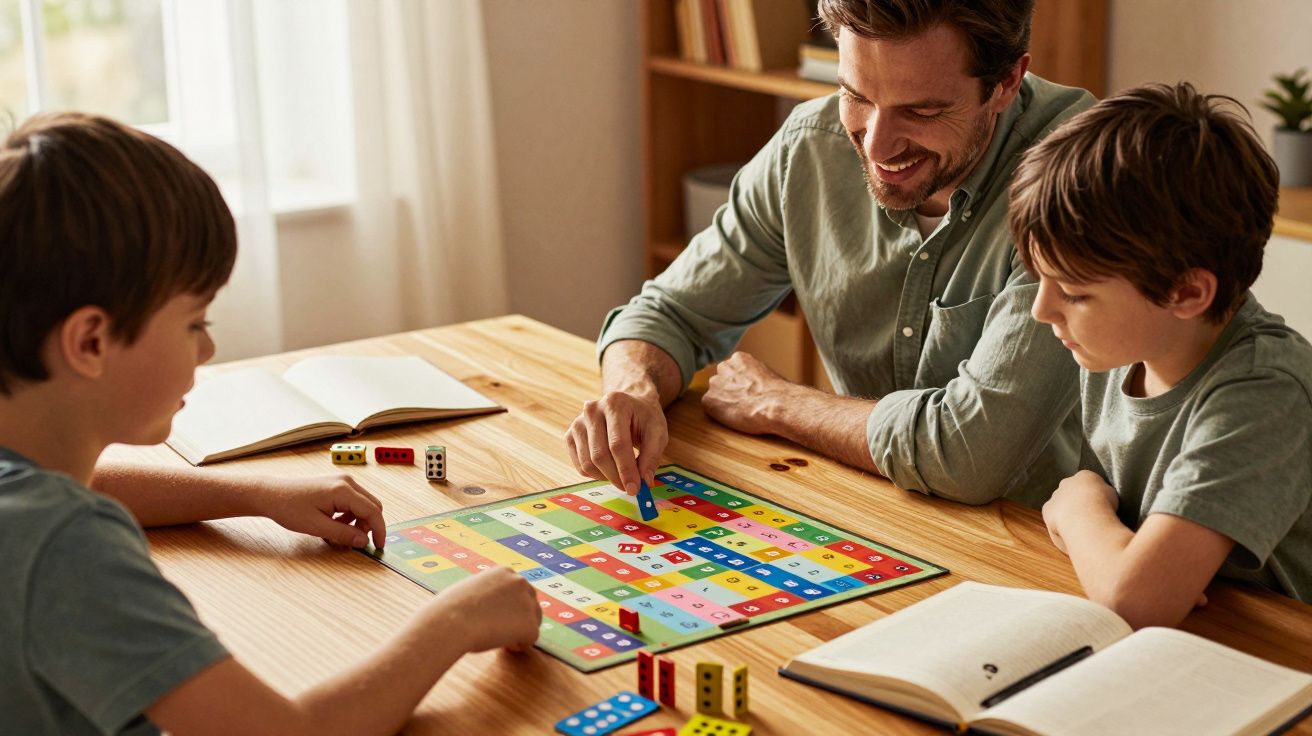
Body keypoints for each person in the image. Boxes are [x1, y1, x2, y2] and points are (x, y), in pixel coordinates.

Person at [0, 111, 541, 735]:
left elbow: (75, 490)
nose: (206, 351)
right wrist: (454, 624)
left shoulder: (31, 495)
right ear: (91, 341)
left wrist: (252, 492)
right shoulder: (68, 547)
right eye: (195, 323)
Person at [566, 0, 1096, 508]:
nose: (877, 146)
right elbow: (669, 314)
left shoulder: (1078, 181)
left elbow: (970, 454)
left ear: (1006, 82)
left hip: (1036, 549)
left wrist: (780, 402)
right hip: (863, 507)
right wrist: (632, 388)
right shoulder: (810, 148)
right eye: (856, 95)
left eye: (922, 110)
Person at [1010, 82, 1312, 627]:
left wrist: (1080, 507)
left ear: (1188, 293)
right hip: (1198, 636)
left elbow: (1134, 602)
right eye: (1041, 280)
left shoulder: (1264, 392)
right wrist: (1133, 562)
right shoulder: (1121, 349)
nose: (1042, 311)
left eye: (1074, 293)